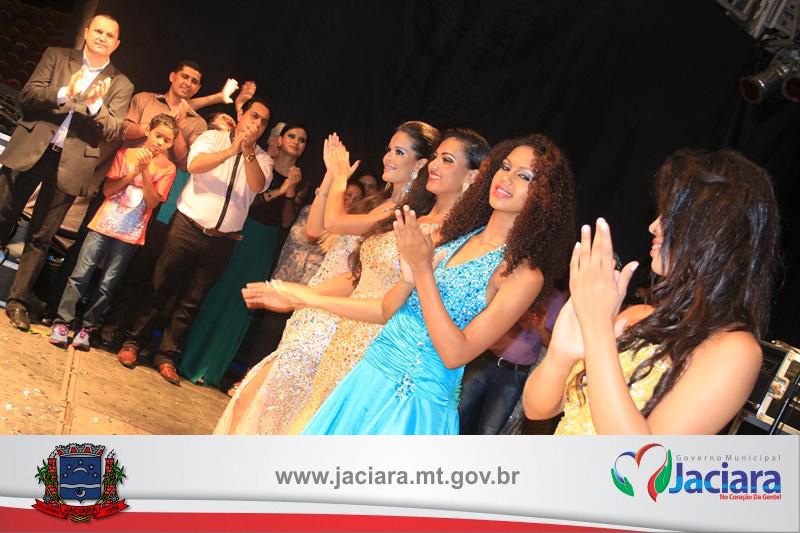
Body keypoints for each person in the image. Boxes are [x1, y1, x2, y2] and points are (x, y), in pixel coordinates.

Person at [299, 134, 576, 434]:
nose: (506, 179)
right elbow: (388, 309)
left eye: (524, 176)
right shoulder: (457, 234)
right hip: (367, 378)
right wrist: (311, 297)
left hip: (412, 406)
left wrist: (422, 272)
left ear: (544, 196)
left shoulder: (522, 274)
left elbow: (456, 353)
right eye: (506, 167)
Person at [522, 148, 780, 435]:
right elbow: (537, 409)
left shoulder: (736, 351)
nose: (654, 225)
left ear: (714, 230)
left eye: (671, 215)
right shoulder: (638, 317)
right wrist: (560, 354)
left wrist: (597, 327)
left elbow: (641, 457)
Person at [214, 121, 443, 434]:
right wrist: (329, 177)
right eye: (389, 149)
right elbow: (315, 228)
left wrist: (339, 178)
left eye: (399, 152)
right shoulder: (378, 202)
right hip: (315, 303)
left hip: (335, 318)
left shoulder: (400, 214)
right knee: (271, 407)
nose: (388, 157)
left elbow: (335, 223)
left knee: (261, 398)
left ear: (419, 164)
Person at [115, 97, 272, 385]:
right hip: (187, 227)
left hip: (222, 241)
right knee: (159, 285)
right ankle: (133, 341)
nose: (258, 124)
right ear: (241, 115)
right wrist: (232, 150)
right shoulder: (212, 138)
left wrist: (247, 152)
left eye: (263, 122)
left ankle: (166, 356)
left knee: (191, 301)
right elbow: (194, 164)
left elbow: (257, 185)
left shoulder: (262, 158)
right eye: (254, 116)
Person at [0, 14, 133, 331]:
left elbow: (114, 128)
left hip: (71, 163)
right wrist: (64, 92)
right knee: (2, 214)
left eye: (109, 35)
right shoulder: (57, 56)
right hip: (32, 148)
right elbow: (29, 96)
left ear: (116, 44)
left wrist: (95, 106)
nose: (102, 37)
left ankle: (18, 301)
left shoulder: (121, 83)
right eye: (97, 30)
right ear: (86, 32)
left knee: (41, 236)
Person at [178, 122, 309, 387]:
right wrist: (279, 190)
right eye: (292, 136)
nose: (296, 142)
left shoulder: (301, 179)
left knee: (241, 305)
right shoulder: (262, 162)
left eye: (302, 140)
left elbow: (286, 222)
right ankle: (188, 360)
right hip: (241, 232)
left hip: (264, 243)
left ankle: (211, 370)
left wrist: (290, 193)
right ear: (279, 140)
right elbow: (250, 201)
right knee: (216, 294)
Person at [49, 114, 178, 350]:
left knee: (108, 283)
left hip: (131, 232)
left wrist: (145, 172)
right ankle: (62, 322)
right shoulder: (126, 154)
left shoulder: (168, 169)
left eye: (166, 140)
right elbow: (108, 190)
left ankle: (87, 328)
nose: (160, 142)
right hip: (104, 222)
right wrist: (132, 173)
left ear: (171, 144)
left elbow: (152, 202)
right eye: (158, 135)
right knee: (81, 273)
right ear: (148, 132)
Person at [458, 289, 566, 434]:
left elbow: (554, 345)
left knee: (490, 429)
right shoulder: (519, 285)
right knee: (457, 412)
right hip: (486, 359)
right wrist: (519, 316)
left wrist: (540, 329)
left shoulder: (557, 301)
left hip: (514, 373)